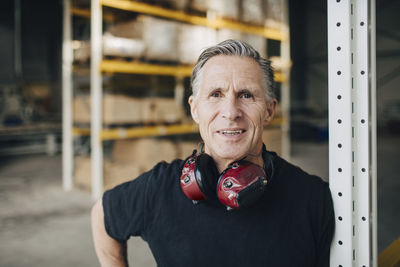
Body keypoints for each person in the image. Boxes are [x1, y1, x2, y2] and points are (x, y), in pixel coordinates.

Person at [91, 39, 335, 267]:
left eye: (246, 95)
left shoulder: (313, 199)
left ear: (269, 111)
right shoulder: (158, 189)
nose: (230, 112)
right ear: (195, 110)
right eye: (216, 94)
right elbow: (102, 215)